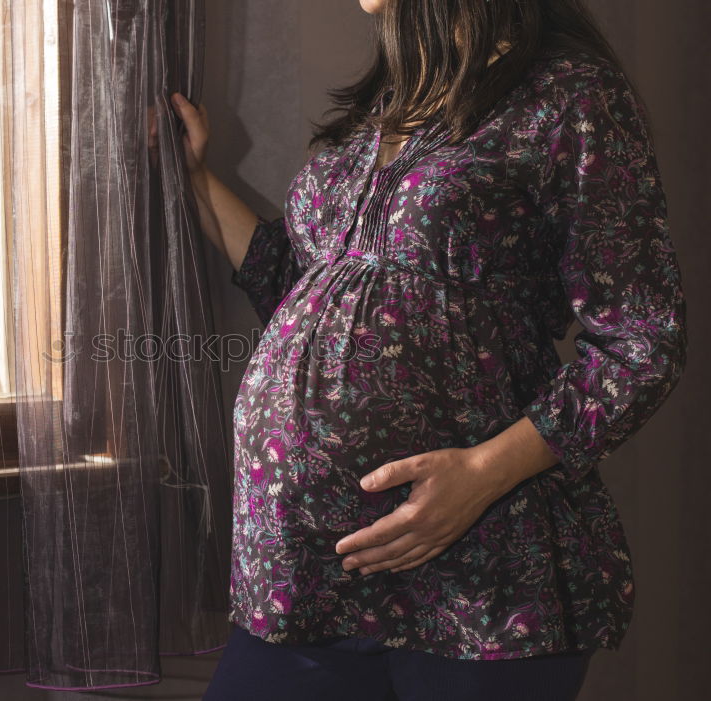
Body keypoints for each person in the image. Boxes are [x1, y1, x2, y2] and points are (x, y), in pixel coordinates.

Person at [164, 0, 688, 699]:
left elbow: (642, 339)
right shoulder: (393, 97)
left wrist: (479, 473)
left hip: (482, 583)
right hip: (308, 576)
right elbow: (310, 289)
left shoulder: (570, 94)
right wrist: (195, 176)